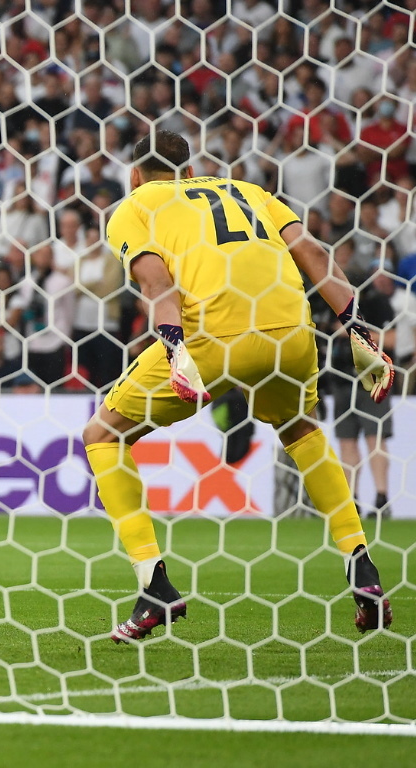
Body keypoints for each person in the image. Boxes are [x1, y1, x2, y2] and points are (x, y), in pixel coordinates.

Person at [82, 131, 394, 642]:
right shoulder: (249, 191)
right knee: (300, 430)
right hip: (292, 335)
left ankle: (154, 587)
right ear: (189, 172)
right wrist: (355, 327)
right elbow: (312, 252)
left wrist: (175, 347)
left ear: (134, 174)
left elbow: (158, 285)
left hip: (210, 339)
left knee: (103, 435)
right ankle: (361, 565)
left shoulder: (134, 206)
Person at [329, 266, 396, 518]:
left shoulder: (378, 304)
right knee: (346, 441)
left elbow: (392, 339)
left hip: (372, 379)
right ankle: (351, 500)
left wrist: (357, 331)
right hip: (341, 380)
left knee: (374, 439)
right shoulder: (330, 300)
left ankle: (382, 497)